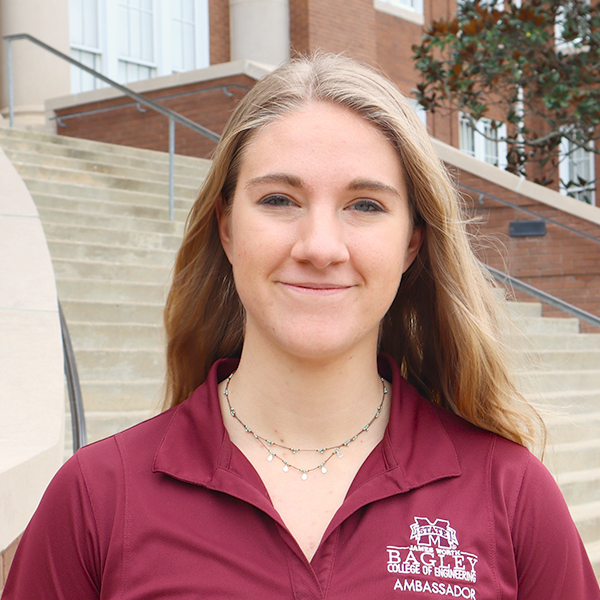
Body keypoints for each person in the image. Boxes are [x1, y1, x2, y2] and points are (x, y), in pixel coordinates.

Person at [3, 53, 599, 599]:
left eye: (365, 205)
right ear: (227, 228)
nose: (320, 247)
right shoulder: (96, 496)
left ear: (412, 243)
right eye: (279, 200)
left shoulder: (512, 493)